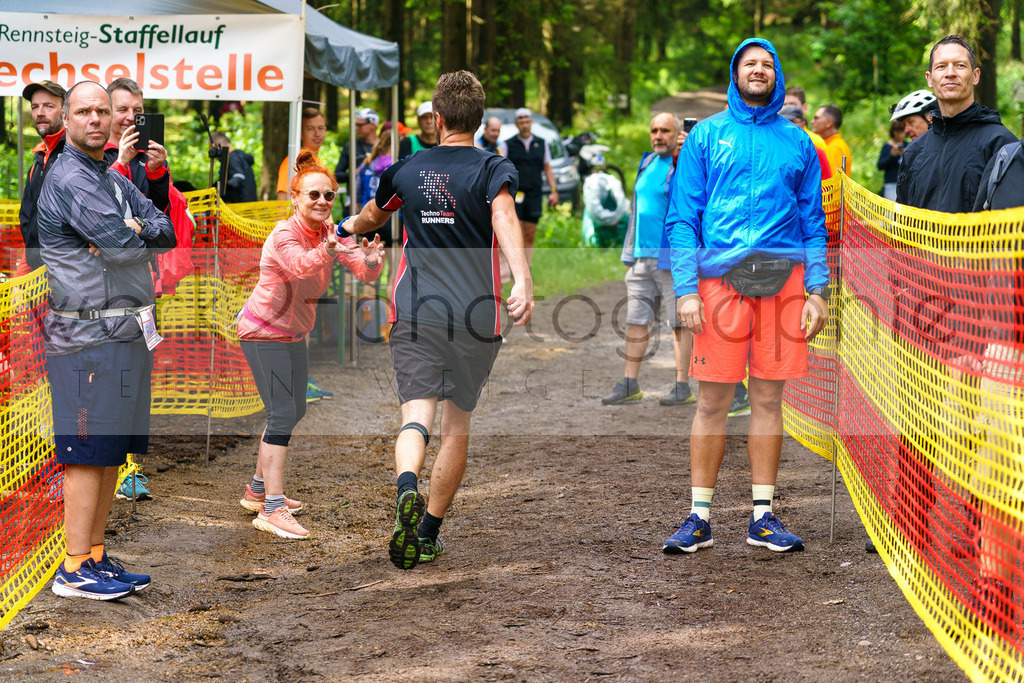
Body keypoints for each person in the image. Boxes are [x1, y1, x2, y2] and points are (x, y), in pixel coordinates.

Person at [338, 70, 534, 570]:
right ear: (480, 119)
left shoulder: (406, 169)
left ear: (438, 119)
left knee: (415, 414)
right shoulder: (494, 169)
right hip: (477, 317)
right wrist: (523, 280)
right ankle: (427, 532)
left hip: (418, 312)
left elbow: (372, 218)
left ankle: (407, 486)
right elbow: (505, 218)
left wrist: (346, 225)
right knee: (457, 426)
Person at [662, 38, 829, 555]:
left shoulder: (799, 142)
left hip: (783, 282)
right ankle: (699, 517)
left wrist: (819, 291)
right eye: (749, 63)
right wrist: (687, 289)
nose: (759, 70)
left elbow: (814, 222)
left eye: (767, 64)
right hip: (720, 285)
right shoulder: (706, 137)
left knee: (767, 398)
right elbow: (682, 218)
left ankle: (762, 516)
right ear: (734, 74)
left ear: (777, 76)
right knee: (712, 400)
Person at [38, 80, 176, 600]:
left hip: (124, 332)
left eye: (103, 111)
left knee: (110, 452)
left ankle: (95, 555)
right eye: (86, 111)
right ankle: (73, 569)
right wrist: (131, 233)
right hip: (86, 337)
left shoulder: (110, 177)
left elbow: (164, 233)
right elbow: (125, 249)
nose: (97, 119)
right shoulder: (72, 177)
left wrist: (130, 227)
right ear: (69, 121)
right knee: (87, 452)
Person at [892, 33, 1017, 560]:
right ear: (929, 79)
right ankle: (910, 531)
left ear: (974, 76)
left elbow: (1007, 239)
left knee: (971, 428)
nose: (949, 73)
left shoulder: (1001, 143)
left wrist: (995, 322)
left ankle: (974, 534)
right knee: (915, 421)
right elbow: (903, 232)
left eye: (958, 65)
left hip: (974, 310)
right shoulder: (915, 151)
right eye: (940, 66)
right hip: (920, 306)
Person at [238, 150, 384, 540]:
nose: (321, 202)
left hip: (293, 334)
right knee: (282, 413)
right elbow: (301, 265)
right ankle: (272, 508)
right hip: (263, 331)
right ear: (295, 197)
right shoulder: (285, 233)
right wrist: (334, 243)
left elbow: (362, 271)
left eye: (328, 196)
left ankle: (256, 490)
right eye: (313, 195)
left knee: (294, 408)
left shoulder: (328, 230)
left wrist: (370, 260)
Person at [601, 113, 695, 407]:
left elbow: (693, 196)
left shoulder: (686, 163)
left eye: (665, 131)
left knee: (679, 324)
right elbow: (636, 211)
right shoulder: (647, 162)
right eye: (654, 130)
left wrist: (689, 151)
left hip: (672, 259)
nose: (658, 136)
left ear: (677, 133)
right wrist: (629, 254)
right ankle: (630, 383)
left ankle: (682, 386)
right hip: (641, 258)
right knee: (635, 321)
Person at [970, 136, 1023, 636]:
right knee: (1000, 468)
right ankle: (995, 584)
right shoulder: (1010, 161)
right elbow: (988, 260)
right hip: (1008, 343)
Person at [18, 80, 67, 276]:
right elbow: (28, 222)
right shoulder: (39, 160)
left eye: (49, 106)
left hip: (70, 277)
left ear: (64, 112)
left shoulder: (76, 154)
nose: (40, 112)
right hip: (37, 276)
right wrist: (22, 273)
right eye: (35, 107)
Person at [499, 108, 559, 264]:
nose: (525, 125)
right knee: (516, 233)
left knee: (530, 234)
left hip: (535, 194)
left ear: (531, 122)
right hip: (515, 194)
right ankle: (515, 268)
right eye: (521, 122)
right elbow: (501, 169)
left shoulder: (541, 143)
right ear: (516, 124)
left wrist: (554, 190)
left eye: (527, 122)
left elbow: (547, 167)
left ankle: (528, 267)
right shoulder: (508, 144)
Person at [104, 78, 170, 212]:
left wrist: (156, 172)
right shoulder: (95, 152)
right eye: (123, 109)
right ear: (107, 112)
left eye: (137, 110)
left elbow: (162, 210)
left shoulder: (152, 155)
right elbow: (98, 202)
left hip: (146, 232)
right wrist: (121, 163)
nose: (130, 117)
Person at [277, 107, 326, 201]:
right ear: (300, 133)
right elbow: (282, 199)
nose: (317, 134)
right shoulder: (295, 159)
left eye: (320, 128)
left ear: (325, 130)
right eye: (310, 129)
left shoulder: (318, 160)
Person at [779, 104, 833, 181]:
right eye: (784, 122)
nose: (789, 126)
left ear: (803, 124)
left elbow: (827, 187)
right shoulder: (772, 151)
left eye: (793, 122)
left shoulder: (816, 153)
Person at [334, 107, 380, 194]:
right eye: (356, 124)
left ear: (372, 125)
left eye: (360, 125)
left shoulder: (384, 146)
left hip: (378, 199)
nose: (356, 128)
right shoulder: (351, 146)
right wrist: (355, 173)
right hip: (354, 200)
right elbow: (337, 176)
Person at [212, 132, 258, 203]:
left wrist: (216, 189)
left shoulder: (233, 158)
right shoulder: (239, 156)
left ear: (218, 146)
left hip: (242, 206)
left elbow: (237, 179)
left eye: (213, 149)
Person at [783, 86, 828, 152]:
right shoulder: (778, 137)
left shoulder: (815, 142)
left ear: (805, 108)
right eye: (784, 105)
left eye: (792, 105)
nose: (788, 109)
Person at [811, 103, 852, 176]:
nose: (812, 122)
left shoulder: (834, 148)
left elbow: (833, 183)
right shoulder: (837, 144)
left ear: (829, 123)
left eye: (816, 118)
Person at [877, 120, 905, 200]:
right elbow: (880, 165)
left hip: (905, 184)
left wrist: (905, 155)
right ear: (893, 131)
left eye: (901, 130)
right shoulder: (887, 147)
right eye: (896, 130)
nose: (899, 134)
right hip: (891, 183)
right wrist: (891, 156)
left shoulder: (908, 146)